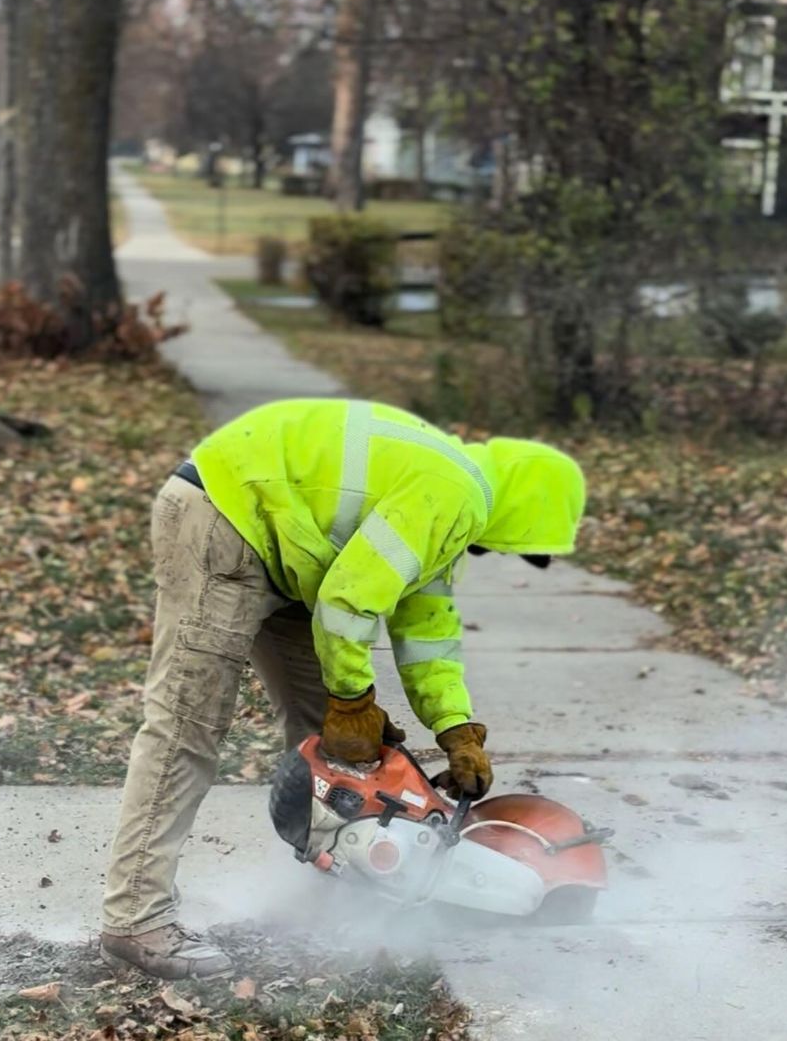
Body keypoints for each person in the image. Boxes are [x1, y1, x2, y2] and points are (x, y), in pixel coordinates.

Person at [101, 398, 585, 978]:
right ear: (526, 511)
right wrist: (353, 701)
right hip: (224, 517)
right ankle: (136, 918)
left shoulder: (451, 496)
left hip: (284, 546)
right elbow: (349, 600)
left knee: (328, 744)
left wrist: (456, 727)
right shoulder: (450, 492)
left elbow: (425, 628)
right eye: (514, 545)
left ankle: (335, 891)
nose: (501, 553)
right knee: (187, 725)